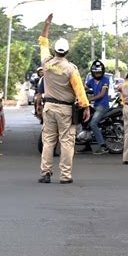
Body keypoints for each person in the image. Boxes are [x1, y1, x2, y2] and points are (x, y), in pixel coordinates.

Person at [38, 13, 90, 184]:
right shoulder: (71, 69)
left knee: (48, 141)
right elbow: (80, 90)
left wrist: (46, 25)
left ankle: (45, 172)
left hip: (49, 107)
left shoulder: (46, 64)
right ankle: (65, 175)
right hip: (66, 110)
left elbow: (43, 42)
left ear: (55, 51)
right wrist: (86, 107)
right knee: (67, 142)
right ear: (67, 51)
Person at [85, 60, 110, 154]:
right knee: (85, 122)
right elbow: (83, 87)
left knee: (93, 124)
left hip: (102, 106)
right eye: (96, 72)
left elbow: (102, 94)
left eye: (99, 72)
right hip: (95, 105)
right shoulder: (91, 81)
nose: (98, 74)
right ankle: (87, 146)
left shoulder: (105, 80)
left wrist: (89, 99)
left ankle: (103, 146)